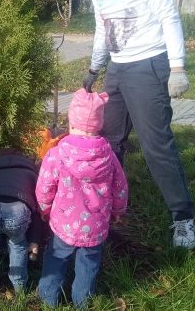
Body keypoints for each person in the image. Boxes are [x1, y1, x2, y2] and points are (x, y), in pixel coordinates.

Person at [77, 0, 195, 249]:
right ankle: (108, 206)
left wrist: (177, 67)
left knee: (156, 145)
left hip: (149, 65)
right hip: (117, 68)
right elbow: (103, 31)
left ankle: (183, 218)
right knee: (108, 141)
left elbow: (168, 16)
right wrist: (94, 68)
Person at [36, 89, 128, 308]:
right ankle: (82, 301)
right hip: (96, 227)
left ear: (71, 122)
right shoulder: (109, 155)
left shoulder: (57, 154)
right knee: (88, 264)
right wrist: (118, 211)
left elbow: (45, 185)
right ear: (99, 124)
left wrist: (44, 207)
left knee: (56, 258)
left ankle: (48, 298)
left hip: (63, 225)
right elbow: (120, 187)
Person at [0, 149, 44, 293]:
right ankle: (19, 286)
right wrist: (34, 240)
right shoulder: (31, 173)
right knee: (17, 243)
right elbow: (39, 209)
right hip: (17, 209)